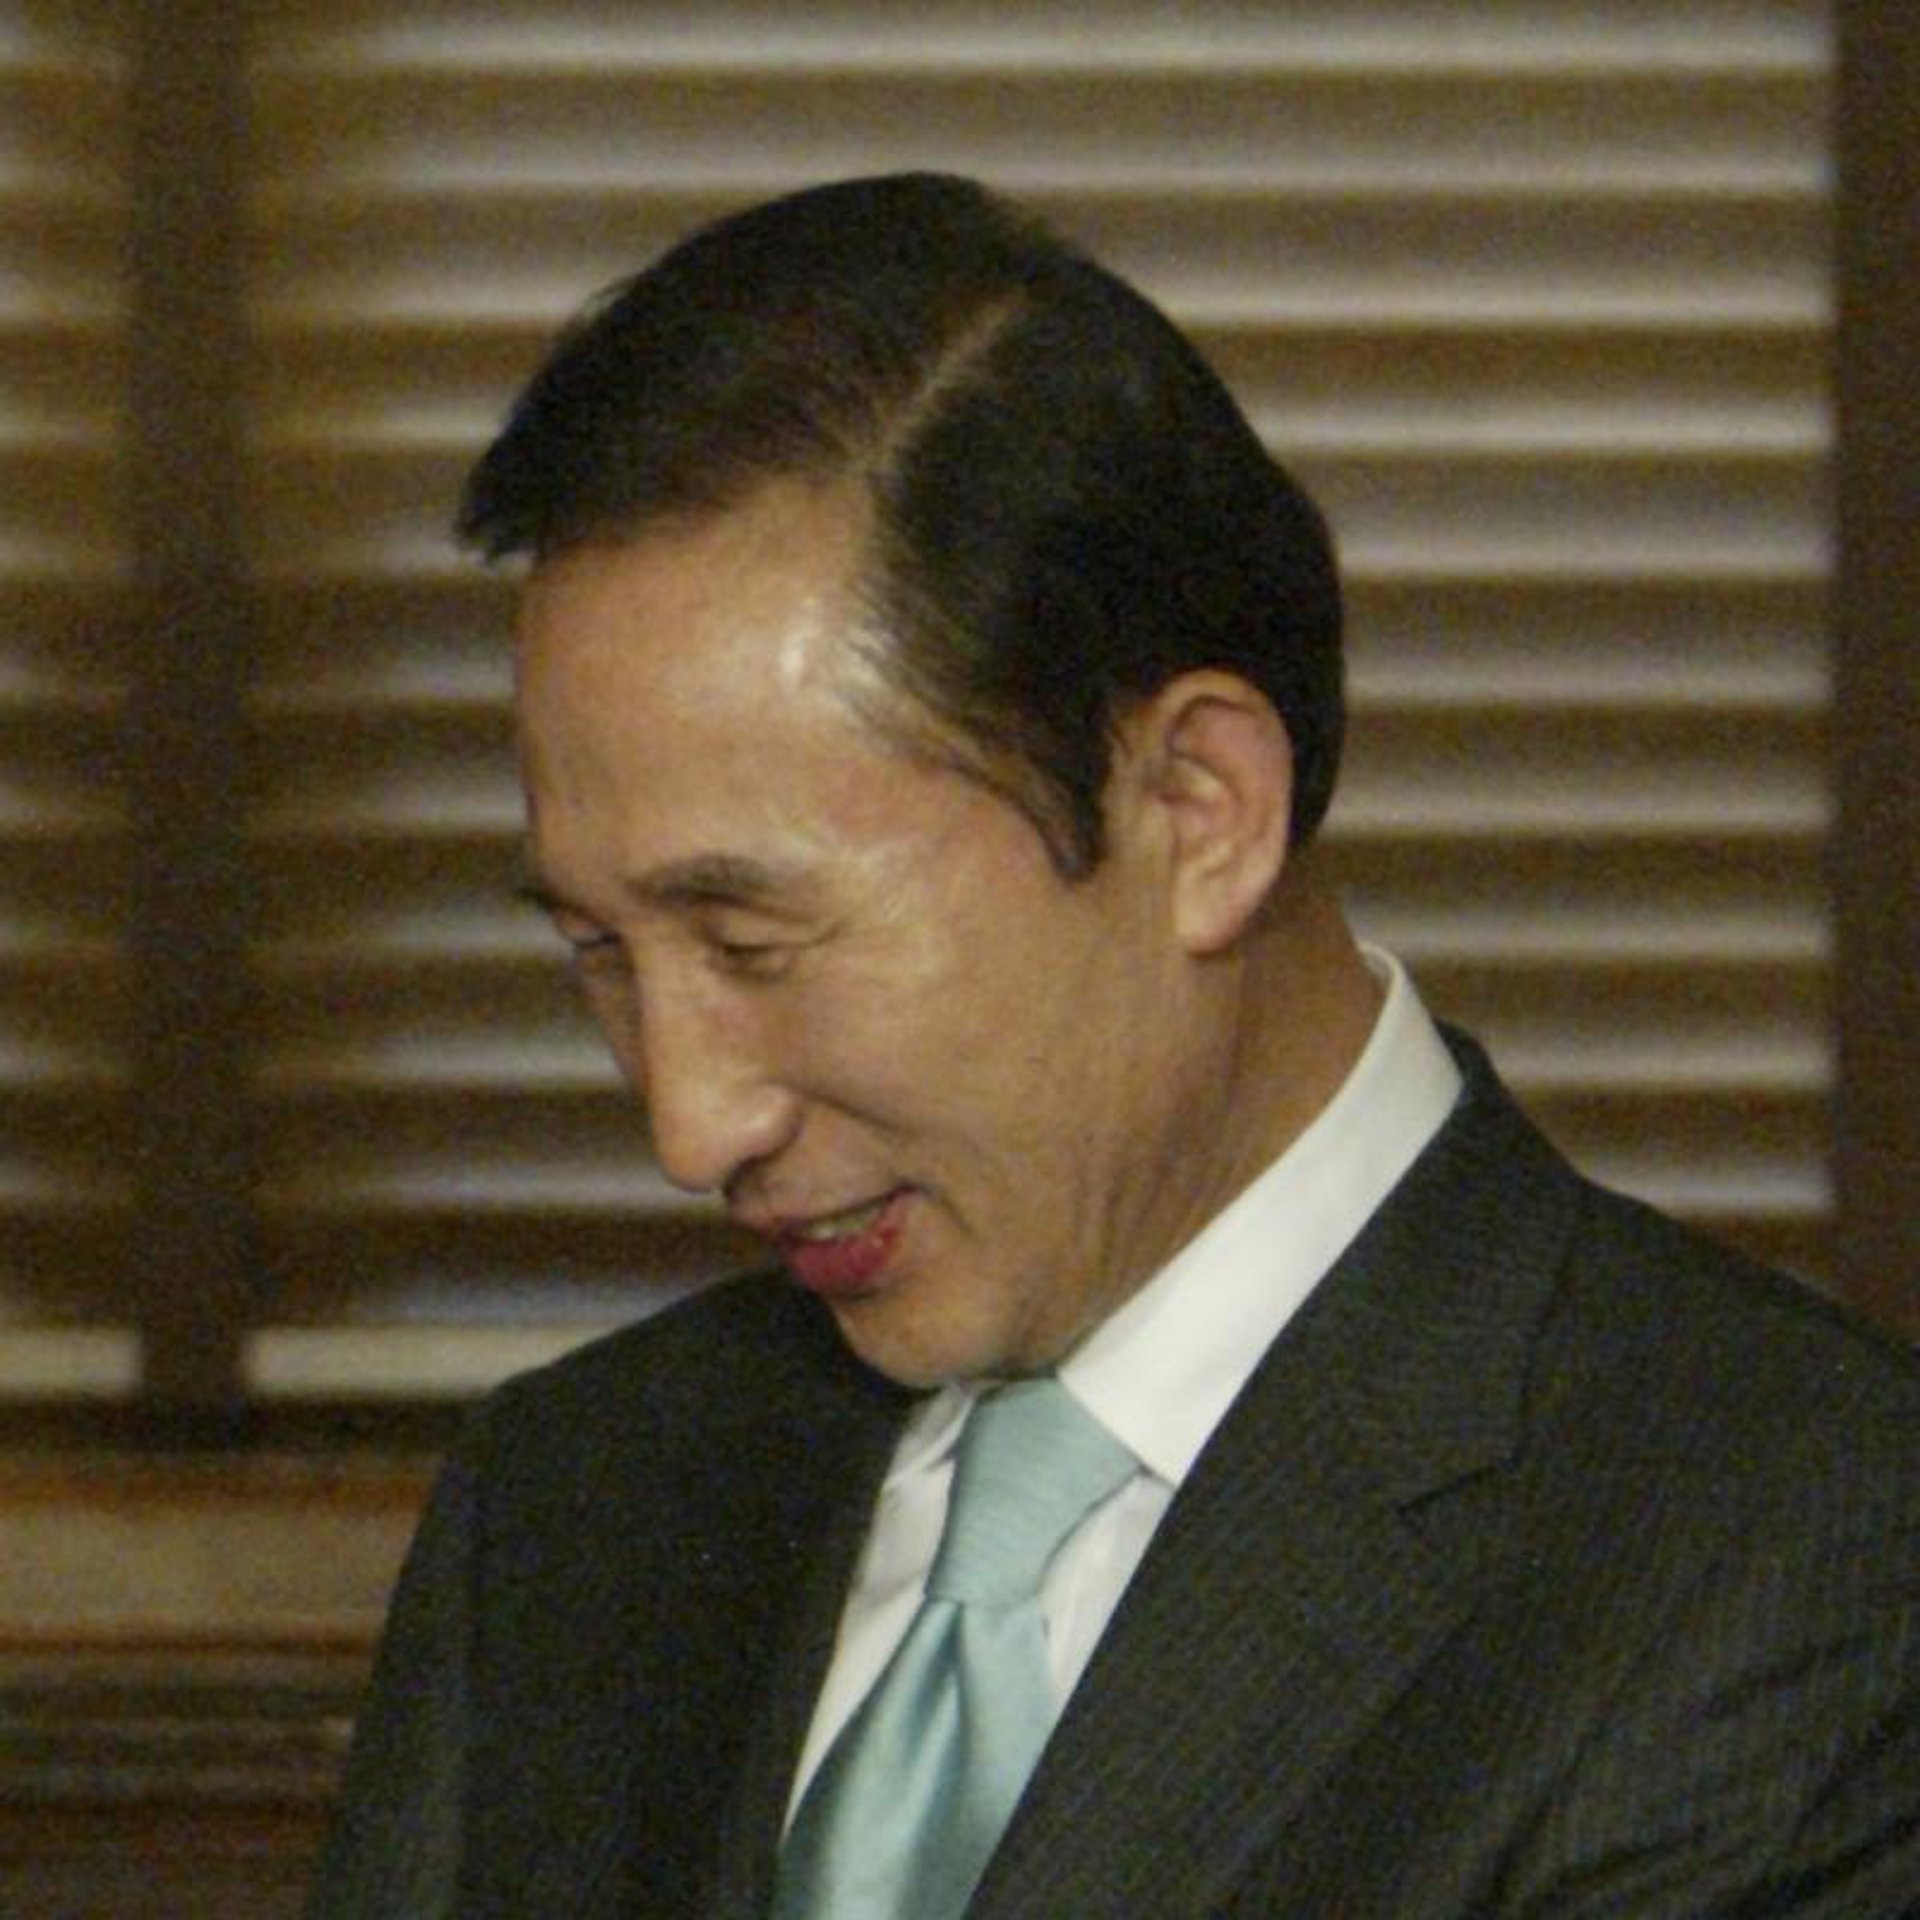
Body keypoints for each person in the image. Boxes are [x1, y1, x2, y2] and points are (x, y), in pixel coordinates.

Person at [307, 173, 1920, 1920]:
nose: (691, 1128)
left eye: (755, 945)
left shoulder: (1798, 1552)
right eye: (598, 957)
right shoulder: (572, 1503)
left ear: (1198, 811)